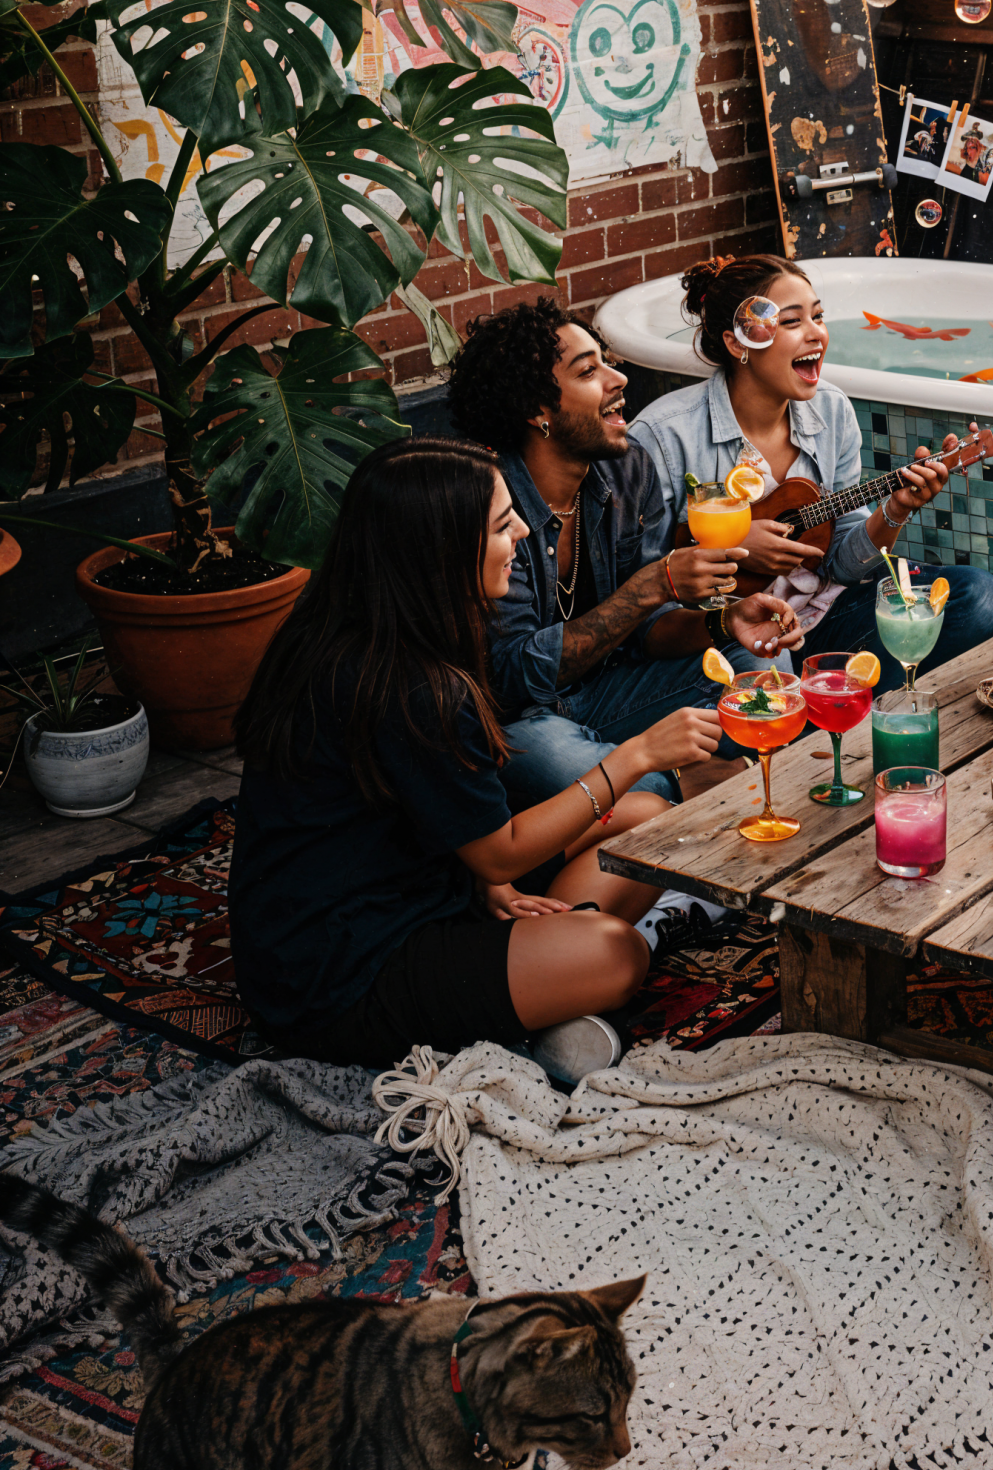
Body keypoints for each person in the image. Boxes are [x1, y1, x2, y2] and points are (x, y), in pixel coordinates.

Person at [230, 440, 728, 1087]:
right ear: (440, 554)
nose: (522, 530)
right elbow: (501, 852)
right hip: (338, 973)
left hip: (417, 886)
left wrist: (486, 883)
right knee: (619, 953)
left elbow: (427, 805)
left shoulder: (363, 627)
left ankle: (534, 985)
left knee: (648, 821)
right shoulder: (412, 683)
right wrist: (638, 753)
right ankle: (534, 1020)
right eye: (501, 523)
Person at [446, 295, 802, 802]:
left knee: (757, 666)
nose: (620, 381)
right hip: (522, 721)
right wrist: (649, 587)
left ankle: (646, 787)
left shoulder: (626, 469)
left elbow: (645, 633)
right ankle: (679, 783)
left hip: (613, 691)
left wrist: (724, 621)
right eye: (590, 372)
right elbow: (511, 679)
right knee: (546, 758)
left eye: (608, 363)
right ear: (535, 410)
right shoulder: (490, 503)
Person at [630, 254, 993, 687]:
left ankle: (814, 701)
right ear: (737, 344)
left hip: (819, 617)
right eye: (791, 322)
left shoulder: (831, 409)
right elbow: (643, 598)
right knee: (768, 672)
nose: (817, 335)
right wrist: (731, 545)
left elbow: (843, 567)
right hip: (721, 641)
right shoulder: (663, 437)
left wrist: (896, 510)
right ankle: (823, 700)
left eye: (819, 316)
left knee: (977, 596)